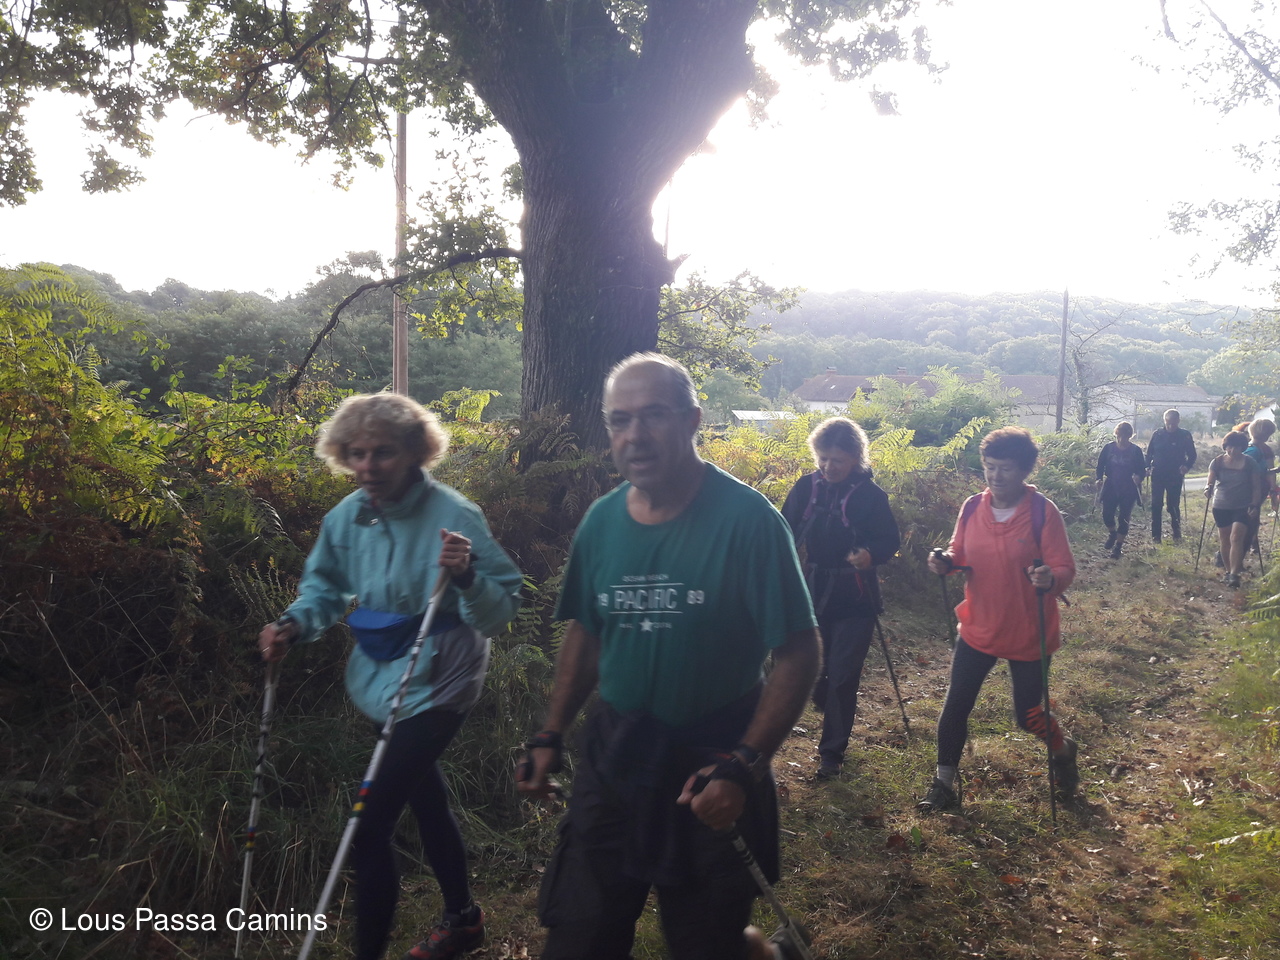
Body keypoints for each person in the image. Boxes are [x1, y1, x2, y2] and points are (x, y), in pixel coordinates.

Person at [517, 353, 820, 960]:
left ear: (692, 420)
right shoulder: (601, 523)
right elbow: (588, 632)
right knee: (578, 935)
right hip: (617, 754)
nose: (635, 435)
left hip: (713, 754)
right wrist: (550, 732)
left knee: (707, 943)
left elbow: (799, 652)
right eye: (620, 420)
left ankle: (761, 953)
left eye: (654, 415)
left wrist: (744, 764)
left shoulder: (749, 520)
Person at [257, 393, 522, 960]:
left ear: (413, 452)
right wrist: (292, 625)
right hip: (381, 677)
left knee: (369, 826)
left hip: (444, 676)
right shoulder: (346, 519)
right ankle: (464, 921)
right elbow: (325, 589)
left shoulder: (456, 516)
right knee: (425, 798)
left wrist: (468, 576)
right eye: (357, 453)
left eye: (383, 452)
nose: (368, 465)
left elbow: (502, 610)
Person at [921, 427, 1078, 813]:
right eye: (990, 467)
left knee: (1028, 717)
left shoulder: (1042, 512)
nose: (995, 476)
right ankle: (943, 783)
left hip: (1029, 630)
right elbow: (960, 551)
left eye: (1005, 468)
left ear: (1024, 470)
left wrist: (1050, 578)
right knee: (956, 705)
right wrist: (946, 562)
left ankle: (1062, 749)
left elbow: (1063, 567)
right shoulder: (973, 506)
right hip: (979, 626)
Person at [780, 417, 900, 781]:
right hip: (812, 591)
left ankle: (831, 755)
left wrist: (870, 555)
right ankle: (824, 696)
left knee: (844, 676)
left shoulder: (871, 496)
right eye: (823, 458)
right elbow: (783, 530)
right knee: (817, 672)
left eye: (838, 460)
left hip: (855, 596)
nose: (829, 466)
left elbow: (889, 540)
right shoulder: (806, 487)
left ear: (855, 459)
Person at [1205, 430, 1265, 589]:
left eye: (1236, 447)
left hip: (1243, 506)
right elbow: (1210, 480)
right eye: (1229, 447)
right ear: (1225, 446)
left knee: (1236, 537)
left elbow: (1256, 487)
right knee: (1225, 539)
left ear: (1243, 447)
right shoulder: (1217, 462)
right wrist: (1208, 488)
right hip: (1221, 505)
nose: (1232, 450)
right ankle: (1228, 571)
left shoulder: (1250, 463)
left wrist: (1255, 505)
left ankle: (1234, 574)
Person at [1094, 421, 1146, 559]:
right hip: (1111, 485)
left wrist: (1139, 477)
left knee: (1124, 517)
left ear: (1130, 436)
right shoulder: (1108, 448)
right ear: (1116, 434)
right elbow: (1100, 466)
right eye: (1120, 436)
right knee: (1107, 514)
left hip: (1129, 487)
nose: (1122, 439)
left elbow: (1142, 470)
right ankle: (1112, 533)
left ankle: (1118, 547)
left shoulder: (1135, 451)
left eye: (1125, 436)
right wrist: (1098, 478)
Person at [1145, 409, 1197, 543]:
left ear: (1178, 421)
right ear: (1164, 421)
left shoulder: (1184, 435)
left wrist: (1186, 466)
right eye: (1168, 422)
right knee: (1156, 504)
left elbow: (1192, 455)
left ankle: (1177, 533)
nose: (1170, 425)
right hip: (1158, 474)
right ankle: (1156, 536)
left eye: (1173, 423)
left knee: (1172, 505)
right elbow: (1149, 454)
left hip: (1175, 474)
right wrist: (1147, 467)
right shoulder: (1157, 434)